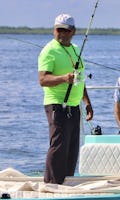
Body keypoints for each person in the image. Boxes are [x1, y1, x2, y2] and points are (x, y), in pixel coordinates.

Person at [38, 13, 94, 184]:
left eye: (65, 31)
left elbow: (79, 78)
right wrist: (63, 78)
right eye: (58, 30)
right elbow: (43, 80)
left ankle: (67, 181)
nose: (61, 34)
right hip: (57, 105)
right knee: (59, 146)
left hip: (74, 105)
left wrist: (87, 102)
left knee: (72, 148)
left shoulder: (76, 50)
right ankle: (52, 184)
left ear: (73, 31)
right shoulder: (49, 51)